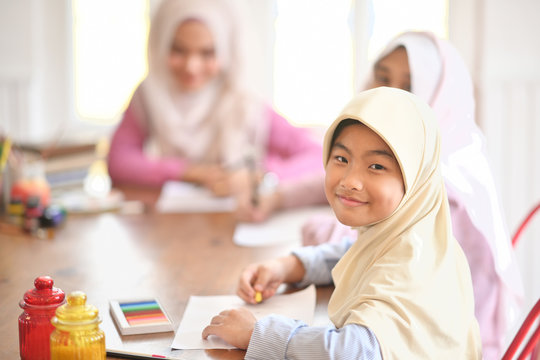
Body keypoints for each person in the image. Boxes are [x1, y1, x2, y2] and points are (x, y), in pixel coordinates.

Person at [201, 87, 482, 359]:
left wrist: (258, 334)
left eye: (377, 167)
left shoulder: (410, 261)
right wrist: (289, 266)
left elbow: (353, 352)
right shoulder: (411, 234)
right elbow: (355, 252)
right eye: (341, 158)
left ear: (415, 177)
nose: (349, 180)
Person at [300, 31, 523, 359]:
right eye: (382, 77)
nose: (388, 93)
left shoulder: (442, 182)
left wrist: (270, 333)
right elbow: (369, 239)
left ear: (439, 94)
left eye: (408, 85)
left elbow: (368, 250)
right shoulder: (444, 148)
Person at [107, 0, 326, 222]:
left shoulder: (243, 102)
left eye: (207, 53)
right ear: (161, 42)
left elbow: (318, 156)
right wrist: (190, 171)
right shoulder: (151, 94)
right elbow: (118, 161)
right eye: (179, 50)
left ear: (226, 50)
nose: (192, 66)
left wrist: (257, 177)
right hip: (172, 229)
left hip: (236, 228)